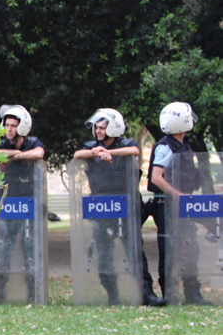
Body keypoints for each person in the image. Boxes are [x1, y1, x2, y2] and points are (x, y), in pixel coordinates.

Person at [72, 108, 165, 306]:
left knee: (135, 252)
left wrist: (108, 152)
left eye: (102, 128)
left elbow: (134, 151)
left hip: (126, 206)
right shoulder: (91, 146)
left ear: (113, 128)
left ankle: (146, 294)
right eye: (96, 128)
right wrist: (94, 151)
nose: (98, 131)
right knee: (104, 253)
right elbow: (78, 154)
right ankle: (112, 295)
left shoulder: (125, 144)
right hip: (101, 207)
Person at [147, 101, 210, 304]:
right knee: (169, 249)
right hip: (168, 206)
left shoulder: (186, 145)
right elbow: (157, 177)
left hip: (183, 206)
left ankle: (193, 295)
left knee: (191, 248)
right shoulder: (165, 147)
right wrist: (178, 195)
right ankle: (169, 295)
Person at [0, 105, 46, 304]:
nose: (9, 129)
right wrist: (9, 155)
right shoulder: (1, 141)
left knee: (29, 248)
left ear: (22, 126)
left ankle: (32, 292)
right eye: (6, 125)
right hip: (5, 201)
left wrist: (15, 156)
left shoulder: (32, 142)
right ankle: (0, 292)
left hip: (27, 201)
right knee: (3, 249)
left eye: (13, 126)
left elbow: (39, 153)